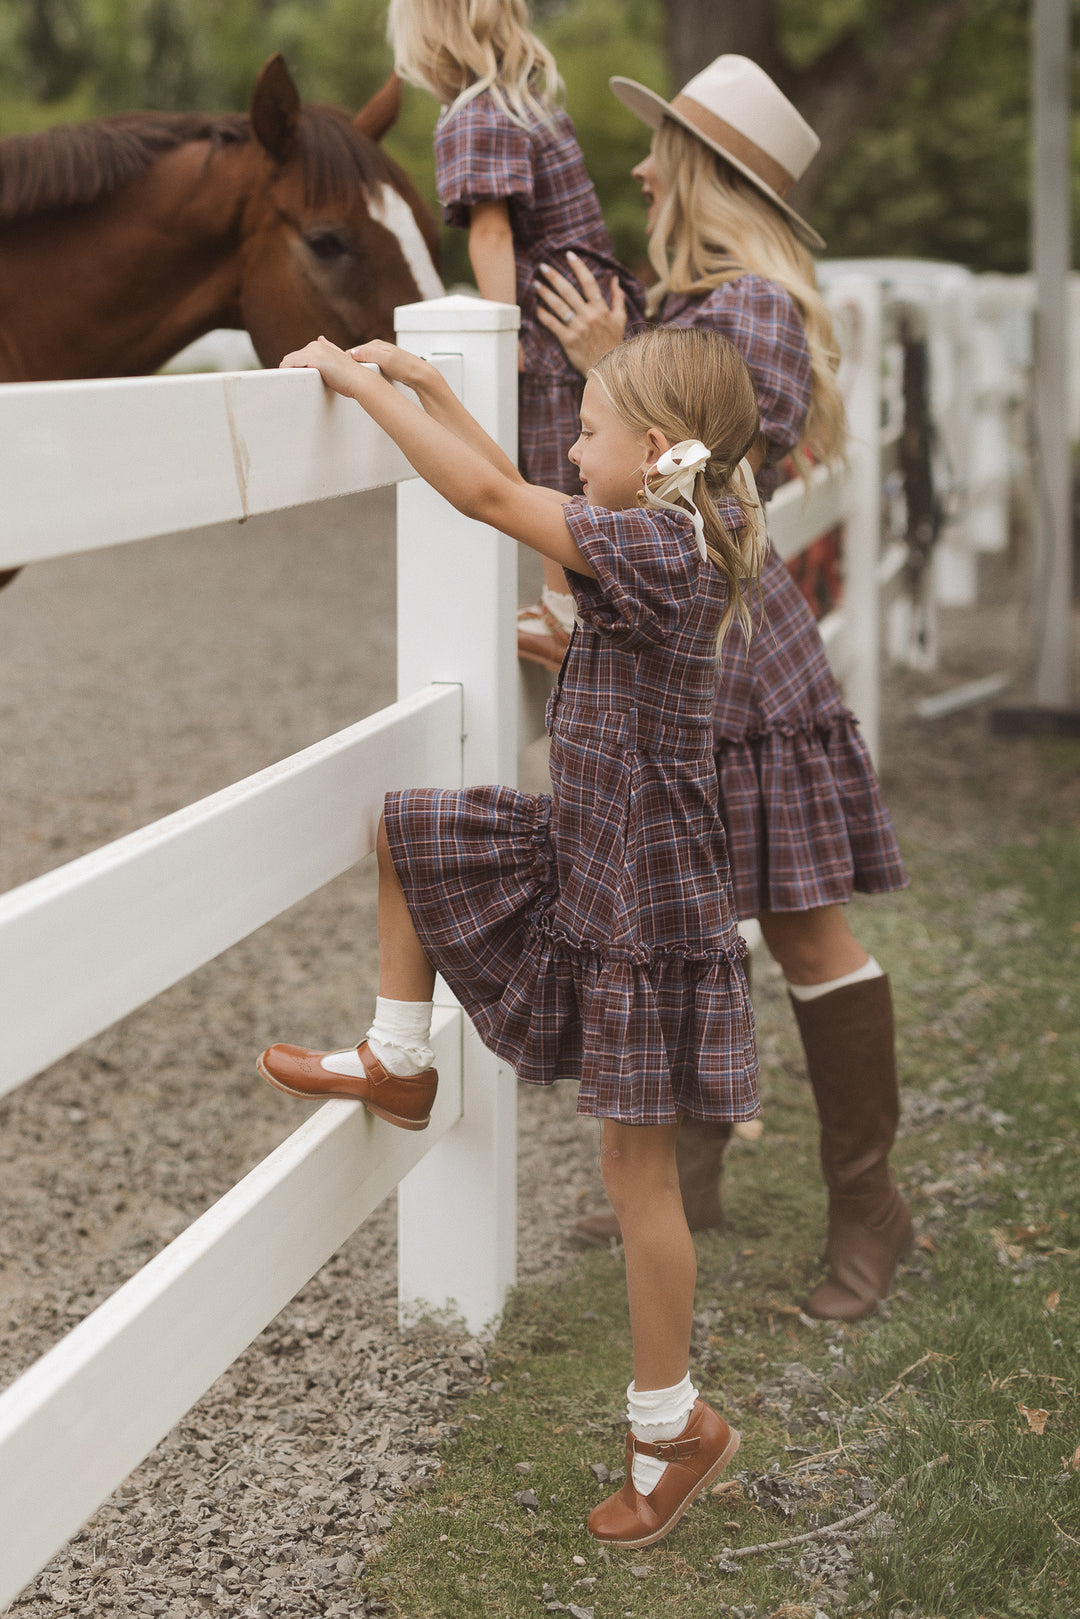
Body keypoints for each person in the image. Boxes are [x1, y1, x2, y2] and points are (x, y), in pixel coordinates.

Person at [258, 322, 763, 1546]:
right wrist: (431, 384)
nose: (570, 447)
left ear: (652, 452)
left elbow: (491, 499)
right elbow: (525, 494)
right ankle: (401, 1056)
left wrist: (353, 382)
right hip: (595, 855)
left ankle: (672, 1426)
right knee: (412, 831)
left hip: (641, 906)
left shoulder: (653, 544)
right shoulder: (669, 528)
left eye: (588, 430)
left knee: (634, 1180)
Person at [534, 55, 913, 1324]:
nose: (640, 169)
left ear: (707, 176)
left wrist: (617, 354)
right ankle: (690, 1173)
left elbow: (711, 475)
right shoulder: (693, 301)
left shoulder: (744, 311)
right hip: (690, 650)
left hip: (739, 654)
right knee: (684, 911)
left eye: (662, 151)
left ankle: (870, 1205)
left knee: (805, 928)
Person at [387, 0, 644, 572]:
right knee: (587, 462)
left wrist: (503, 333)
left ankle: (560, 604)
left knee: (559, 470)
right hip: (590, 308)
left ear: (430, 41)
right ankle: (565, 602)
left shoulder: (473, 117)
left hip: (553, 329)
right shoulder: (532, 109)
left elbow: (493, 234)